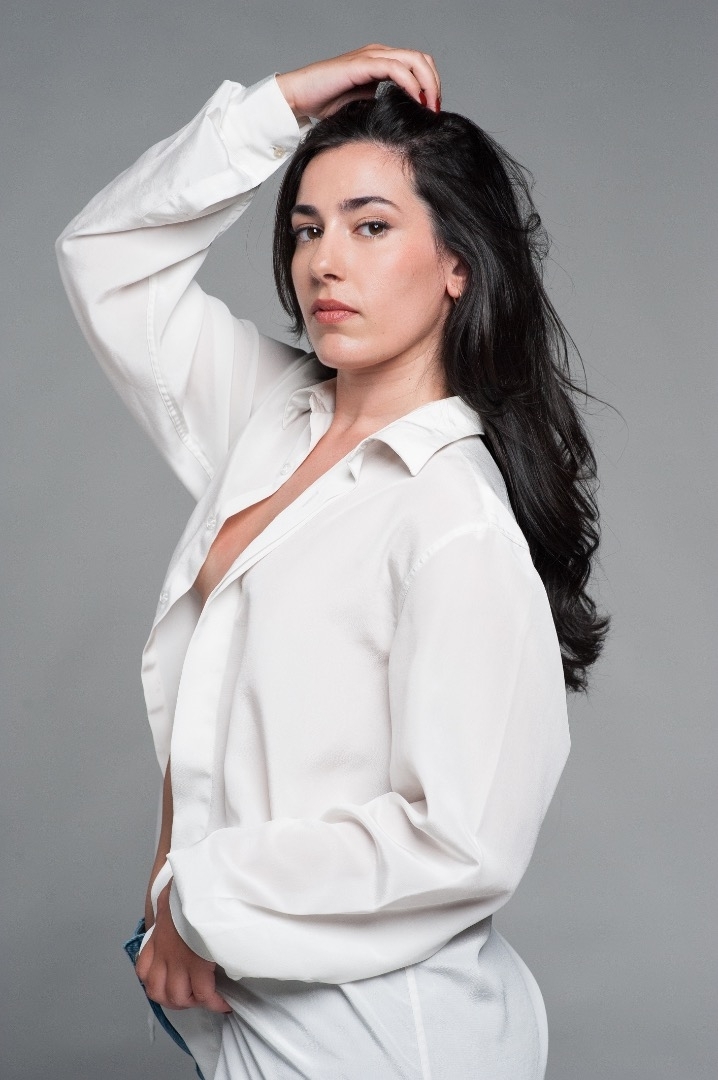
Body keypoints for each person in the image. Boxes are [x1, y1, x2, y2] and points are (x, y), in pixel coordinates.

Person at [56, 44, 607, 1080]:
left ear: (457, 264)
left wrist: (197, 899)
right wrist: (277, 110)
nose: (323, 262)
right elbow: (106, 258)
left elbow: (462, 839)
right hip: (251, 1020)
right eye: (307, 229)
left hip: (383, 1040)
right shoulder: (272, 419)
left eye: (370, 226)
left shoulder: (451, 518)